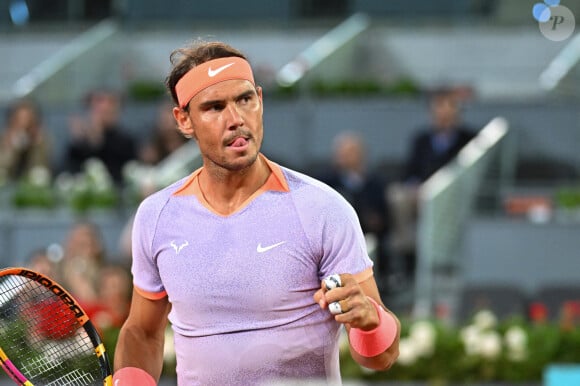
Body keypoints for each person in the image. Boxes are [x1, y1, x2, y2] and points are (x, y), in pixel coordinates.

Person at [113, 40, 400, 386]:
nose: (236, 119)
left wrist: (371, 322)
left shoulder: (322, 209)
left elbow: (380, 357)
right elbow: (142, 333)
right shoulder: (157, 216)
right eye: (215, 107)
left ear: (260, 101)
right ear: (184, 120)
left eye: (244, 100)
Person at [388, 87, 477, 283]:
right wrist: (414, 186)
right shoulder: (421, 139)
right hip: (420, 192)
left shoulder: (468, 139)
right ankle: (408, 247)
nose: (443, 114)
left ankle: (423, 252)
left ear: (457, 113)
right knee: (397, 195)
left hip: (450, 196)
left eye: (448, 109)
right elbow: (410, 171)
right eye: (438, 109)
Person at [316, 131, 391, 277]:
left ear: (361, 155)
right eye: (339, 152)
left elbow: (383, 220)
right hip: (334, 239)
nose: (342, 157)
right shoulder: (326, 182)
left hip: (367, 236)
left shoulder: (376, 184)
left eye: (348, 152)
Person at [63, 89, 137, 185]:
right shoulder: (80, 143)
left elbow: (121, 171)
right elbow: (71, 169)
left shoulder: (125, 141)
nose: (103, 112)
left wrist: (98, 140)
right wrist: (80, 141)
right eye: (99, 109)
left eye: (108, 109)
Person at [0, 98, 53, 184]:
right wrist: (13, 147)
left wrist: (37, 145)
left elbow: (43, 168)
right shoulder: (5, 137)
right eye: (20, 119)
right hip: (9, 181)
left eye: (27, 119)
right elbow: (3, 167)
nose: (23, 123)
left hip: (33, 184)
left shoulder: (42, 138)